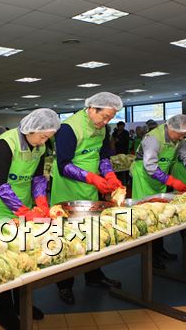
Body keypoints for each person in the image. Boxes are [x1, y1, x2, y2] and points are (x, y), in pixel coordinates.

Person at [0, 108, 60, 330]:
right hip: (0, 203)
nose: (44, 141)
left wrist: (41, 202)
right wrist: (22, 211)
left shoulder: (40, 145)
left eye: (48, 137)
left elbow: (37, 178)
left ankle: (23, 304)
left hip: (23, 199)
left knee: (24, 252)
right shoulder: (5, 144)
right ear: (31, 129)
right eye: (43, 136)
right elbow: (0, 183)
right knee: (3, 255)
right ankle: (5, 311)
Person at [51, 92, 124, 305]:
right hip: (68, 190)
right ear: (92, 109)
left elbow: (102, 155)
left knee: (92, 234)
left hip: (90, 189)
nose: (106, 121)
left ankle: (94, 275)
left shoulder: (101, 127)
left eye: (110, 118)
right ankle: (64, 284)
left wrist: (108, 174)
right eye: (105, 116)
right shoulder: (68, 128)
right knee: (68, 239)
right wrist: (91, 178)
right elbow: (64, 165)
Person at [131, 114, 186, 262]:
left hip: (159, 177)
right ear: (171, 128)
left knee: (159, 214)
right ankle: (150, 257)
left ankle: (159, 250)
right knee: (147, 216)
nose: (182, 138)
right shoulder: (153, 139)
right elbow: (150, 166)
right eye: (181, 135)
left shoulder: (178, 139)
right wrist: (171, 181)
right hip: (144, 177)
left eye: (185, 135)